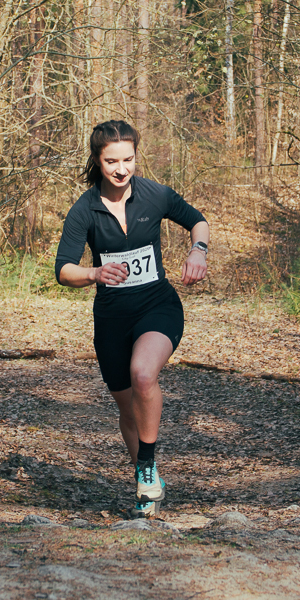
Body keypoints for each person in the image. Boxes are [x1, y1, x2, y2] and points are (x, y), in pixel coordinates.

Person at [55, 120, 209, 518]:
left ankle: (146, 466)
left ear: (136, 156)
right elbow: (64, 270)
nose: (121, 169)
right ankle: (148, 481)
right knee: (128, 410)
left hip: (157, 305)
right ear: (97, 160)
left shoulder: (155, 195)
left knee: (143, 375)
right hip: (112, 319)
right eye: (112, 162)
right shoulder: (84, 209)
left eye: (128, 159)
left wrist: (199, 250)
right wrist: (94, 273)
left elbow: (198, 220)